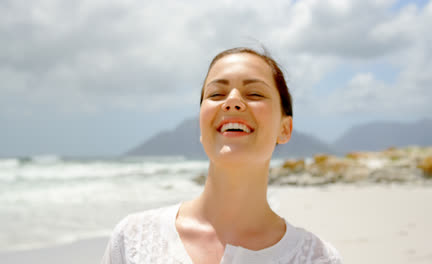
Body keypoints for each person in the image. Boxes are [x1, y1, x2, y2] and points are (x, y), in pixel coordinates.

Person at [101, 47, 342, 264]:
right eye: (216, 94)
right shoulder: (132, 239)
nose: (232, 101)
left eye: (255, 94)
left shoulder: (318, 258)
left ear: (285, 129)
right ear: (201, 125)